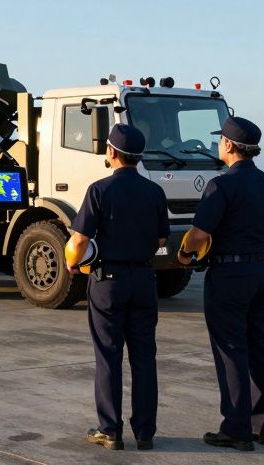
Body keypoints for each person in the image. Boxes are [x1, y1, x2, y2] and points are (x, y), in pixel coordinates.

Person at [178, 116, 264, 451]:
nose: (218, 144)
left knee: (231, 350)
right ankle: (263, 426)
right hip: (261, 271)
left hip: (229, 275)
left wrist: (183, 254)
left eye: (221, 139)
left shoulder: (220, 185)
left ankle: (236, 427)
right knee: (260, 345)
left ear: (230, 146)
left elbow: (200, 234)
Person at [66, 124, 169, 451]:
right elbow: (163, 241)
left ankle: (110, 430)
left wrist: (72, 263)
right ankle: (145, 432)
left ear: (111, 152)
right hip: (144, 281)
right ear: (138, 158)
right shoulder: (155, 192)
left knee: (108, 357)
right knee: (144, 357)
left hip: (107, 282)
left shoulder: (99, 190)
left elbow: (80, 239)